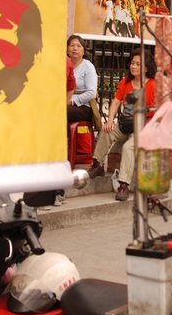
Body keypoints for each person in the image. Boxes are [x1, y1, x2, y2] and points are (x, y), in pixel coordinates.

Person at [88, 50, 156, 202]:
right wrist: (110, 120)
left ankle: (123, 184)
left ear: (146, 68)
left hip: (142, 127)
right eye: (132, 63)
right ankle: (97, 164)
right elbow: (116, 102)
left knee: (128, 147)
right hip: (125, 123)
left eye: (138, 64)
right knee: (106, 131)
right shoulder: (125, 82)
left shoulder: (152, 85)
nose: (134, 66)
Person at [67, 35, 98, 125]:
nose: (75, 48)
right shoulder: (63, 64)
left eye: (78, 46)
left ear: (84, 51)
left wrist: (72, 102)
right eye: (72, 45)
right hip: (63, 102)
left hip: (83, 106)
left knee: (60, 112)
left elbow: (91, 93)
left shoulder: (88, 67)